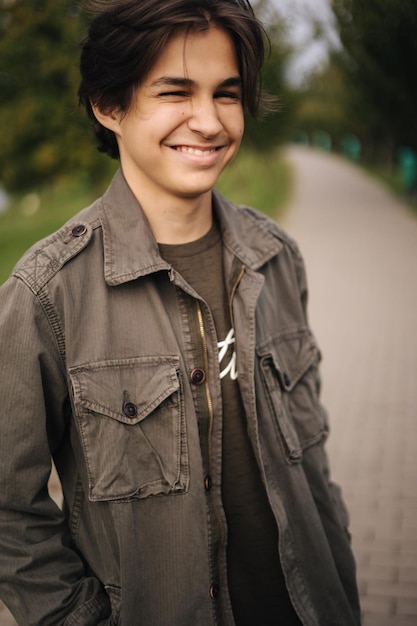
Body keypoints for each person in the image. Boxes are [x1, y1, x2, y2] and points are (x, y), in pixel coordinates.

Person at [0, 1, 361, 624]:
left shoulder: (278, 258)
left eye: (226, 93)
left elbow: (314, 469)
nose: (209, 120)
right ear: (109, 105)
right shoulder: (46, 294)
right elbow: (10, 509)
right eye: (175, 91)